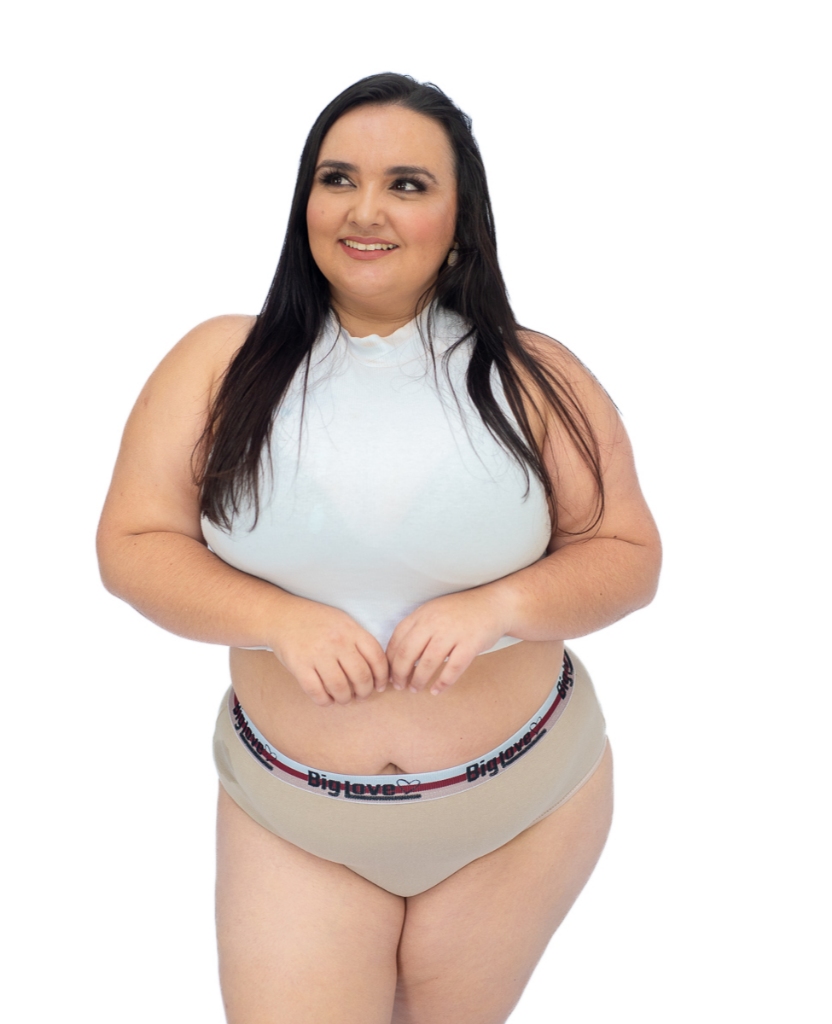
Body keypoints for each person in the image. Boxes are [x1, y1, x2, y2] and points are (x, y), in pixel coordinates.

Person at [97, 73, 661, 1024]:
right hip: (294, 816)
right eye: (337, 179)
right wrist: (277, 620)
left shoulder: (535, 374)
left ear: (461, 219)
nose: (366, 209)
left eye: (407, 184)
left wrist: (502, 607)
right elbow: (133, 542)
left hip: (518, 809)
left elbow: (627, 552)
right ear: (305, 203)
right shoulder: (218, 363)